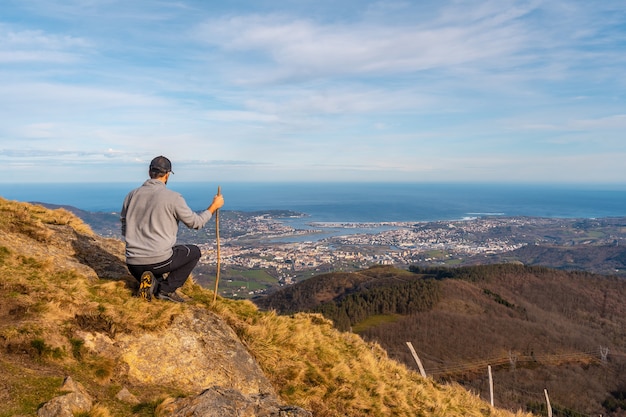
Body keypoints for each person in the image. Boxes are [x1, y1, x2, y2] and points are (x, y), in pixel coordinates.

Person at [120, 155, 224, 302]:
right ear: (167, 174)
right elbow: (196, 223)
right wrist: (214, 206)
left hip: (133, 263)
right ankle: (165, 290)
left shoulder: (131, 195)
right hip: (158, 261)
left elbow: (124, 225)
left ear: (150, 172)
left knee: (158, 262)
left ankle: (153, 285)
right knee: (194, 252)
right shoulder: (173, 197)